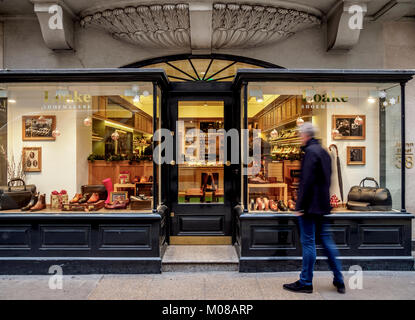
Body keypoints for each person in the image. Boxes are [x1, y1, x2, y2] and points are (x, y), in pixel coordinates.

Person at [283, 122, 345, 294]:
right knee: (327, 242)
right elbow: (328, 178)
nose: (299, 138)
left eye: (300, 135)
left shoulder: (310, 152)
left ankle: (305, 282)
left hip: (309, 206)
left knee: (308, 243)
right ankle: (339, 279)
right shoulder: (324, 151)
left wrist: (299, 205)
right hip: (323, 205)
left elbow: (306, 181)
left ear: (305, 135)